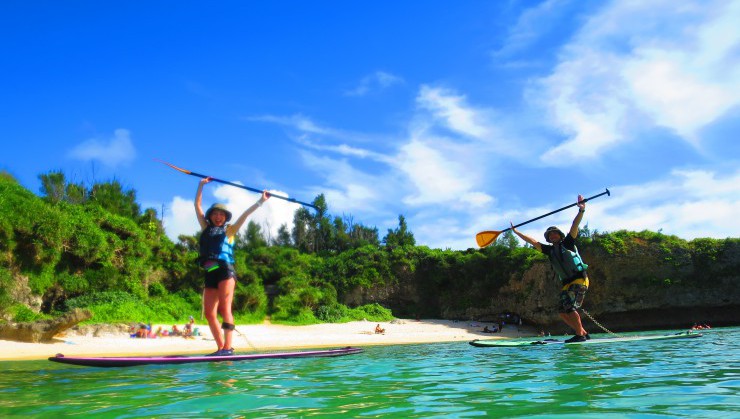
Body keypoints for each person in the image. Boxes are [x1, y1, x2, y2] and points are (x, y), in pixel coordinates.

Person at [196, 177, 270, 356]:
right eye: (215, 214)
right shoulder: (205, 227)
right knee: (209, 314)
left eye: (221, 214)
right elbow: (197, 206)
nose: (218, 217)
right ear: (211, 216)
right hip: (210, 270)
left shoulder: (230, 230)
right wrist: (201, 186)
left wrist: (261, 200)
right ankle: (221, 348)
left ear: (225, 217)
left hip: (226, 270)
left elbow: (245, 214)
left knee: (225, 307)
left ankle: (228, 348)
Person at [511, 194, 591, 343]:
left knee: (569, 306)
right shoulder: (548, 250)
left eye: (555, 233)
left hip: (579, 280)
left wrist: (581, 210)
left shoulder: (567, 242)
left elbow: (574, 225)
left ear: (559, 235)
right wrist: (516, 232)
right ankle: (583, 333)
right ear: (548, 238)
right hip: (567, 284)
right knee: (562, 311)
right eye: (550, 235)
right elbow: (533, 242)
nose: (553, 235)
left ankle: (580, 335)